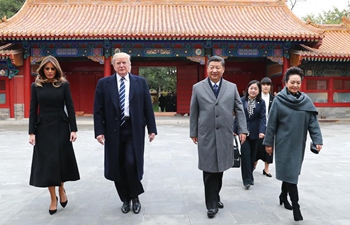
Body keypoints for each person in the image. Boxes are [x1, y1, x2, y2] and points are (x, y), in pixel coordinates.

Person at [93, 52, 157, 214]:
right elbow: (98, 110)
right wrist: (99, 131)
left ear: (130, 65)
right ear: (113, 66)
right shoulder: (104, 83)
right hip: (113, 130)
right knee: (117, 165)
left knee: (130, 162)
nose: (121, 66)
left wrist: (151, 128)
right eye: (118, 63)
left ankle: (135, 196)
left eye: (124, 63)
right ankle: (125, 199)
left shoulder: (140, 82)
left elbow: (147, 107)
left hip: (133, 128)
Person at [190, 56, 248, 219]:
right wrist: (193, 132)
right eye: (212, 67)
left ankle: (215, 196)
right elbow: (194, 111)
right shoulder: (198, 87)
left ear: (223, 69)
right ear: (207, 69)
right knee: (209, 168)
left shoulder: (232, 87)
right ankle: (211, 204)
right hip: (206, 134)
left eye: (218, 67)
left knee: (220, 167)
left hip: (224, 133)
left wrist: (242, 129)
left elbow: (239, 109)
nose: (214, 70)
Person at [263, 66, 323, 221]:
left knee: (291, 173)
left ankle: (283, 195)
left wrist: (317, 140)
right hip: (283, 144)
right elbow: (271, 124)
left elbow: (313, 124)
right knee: (290, 174)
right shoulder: (278, 100)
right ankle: (296, 207)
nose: (295, 85)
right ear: (286, 83)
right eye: (292, 82)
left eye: (298, 82)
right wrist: (268, 143)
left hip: (298, 144)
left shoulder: (306, 101)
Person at [28, 55, 80, 215]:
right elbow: (32, 109)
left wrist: (73, 129)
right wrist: (31, 132)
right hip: (43, 128)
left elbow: (70, 107)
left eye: (52, 68)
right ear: (42, 69)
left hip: (61, 126)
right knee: (48, 163)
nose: (50, 71)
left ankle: (62, 188)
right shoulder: (35, 86)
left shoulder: (64, 85)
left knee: (61, 160)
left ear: (57, 69)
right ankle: (52, 198)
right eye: (47, 68)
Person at [235, 80, 266, 189]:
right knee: (245, 155)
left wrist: (262, 131)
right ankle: (246, 180)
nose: (253, 90)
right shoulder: (241, 100)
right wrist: (235, 129)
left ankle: (250, 175)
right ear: (247, 89)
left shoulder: (261, 103)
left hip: (255, 133)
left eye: (255, 89)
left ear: (259, 91)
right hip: (243, 132)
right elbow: (237, 115)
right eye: (251, 88)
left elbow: (262, 118)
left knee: (253, 156)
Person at [254, 77, 274, 177]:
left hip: (270, 127)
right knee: (257, 146)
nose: (266, 87)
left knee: (269, 148)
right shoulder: (257, 97)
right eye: (264, 84)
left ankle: (266, 169)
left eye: (268, 85)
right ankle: (254, 164)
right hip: (258, 127)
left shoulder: (274, 99)